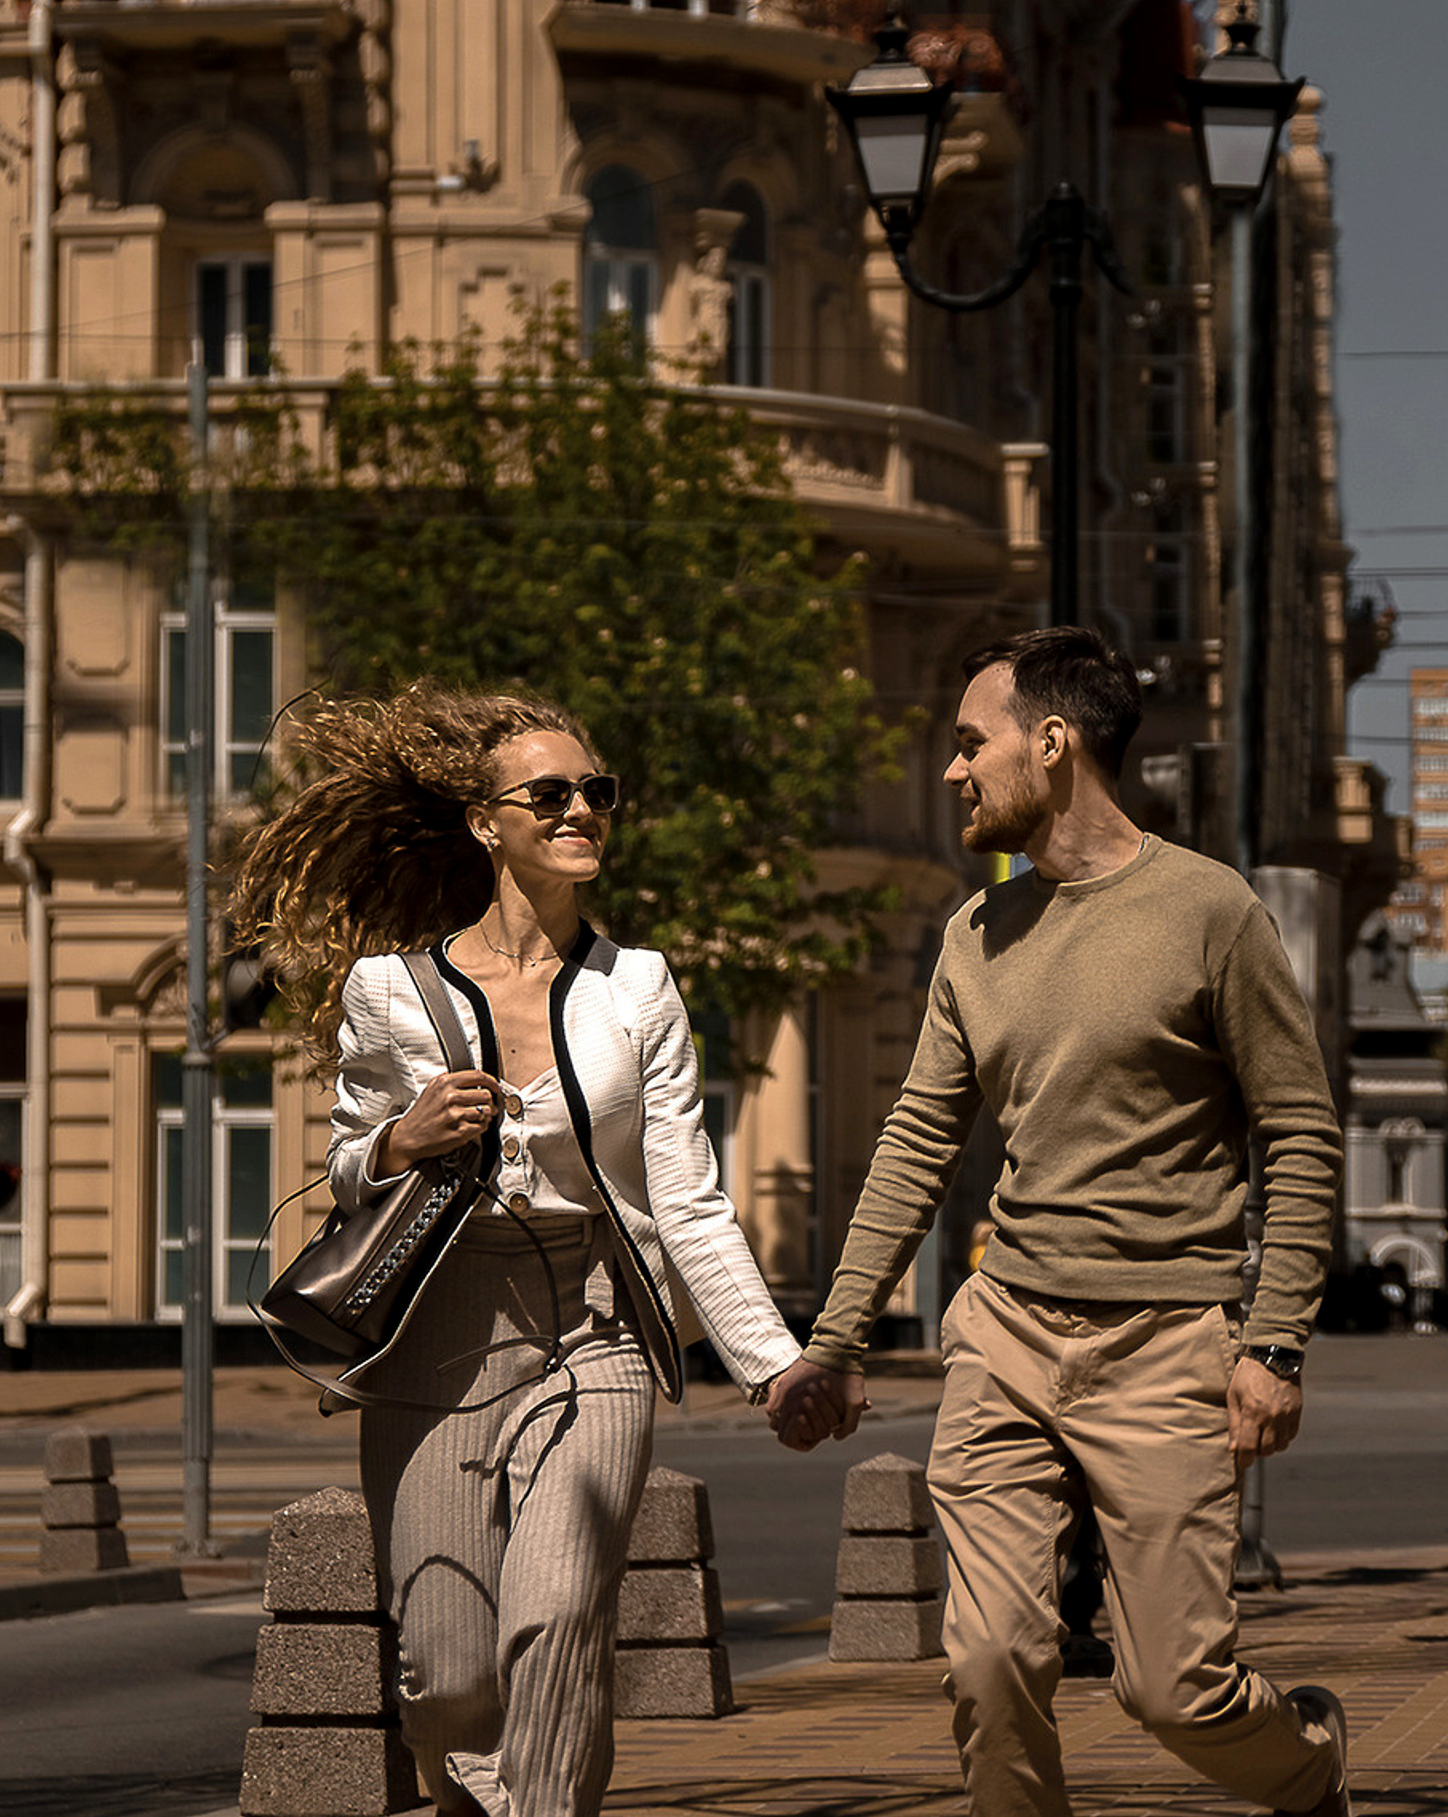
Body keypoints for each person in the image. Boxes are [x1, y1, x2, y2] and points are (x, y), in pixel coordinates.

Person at [768, 626, 1354, 1817]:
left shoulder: (1209, 911)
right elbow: (916, 1144)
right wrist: (831, 1342)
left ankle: (1306, 1765)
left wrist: (1274, 1343)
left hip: (1165, 1347)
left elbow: (1299, 1130)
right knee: (989, 1663)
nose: (952, 772)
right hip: (1005, 1337)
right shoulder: (974, 935)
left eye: (968, 743)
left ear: (1052, 740)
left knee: (1174, 1691)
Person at [235, 684, 801, 1817]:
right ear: (486, 823)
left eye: (599, 791)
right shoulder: (389, 992)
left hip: (594, 1328)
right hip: (436, 1343)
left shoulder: (636, 986)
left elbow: (687, 1196)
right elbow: (348, 1168)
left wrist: (773, 1361)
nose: (582, 808)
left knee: (557, 1620)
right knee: (448, 1676)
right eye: (551, 793)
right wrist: (404, 1134)